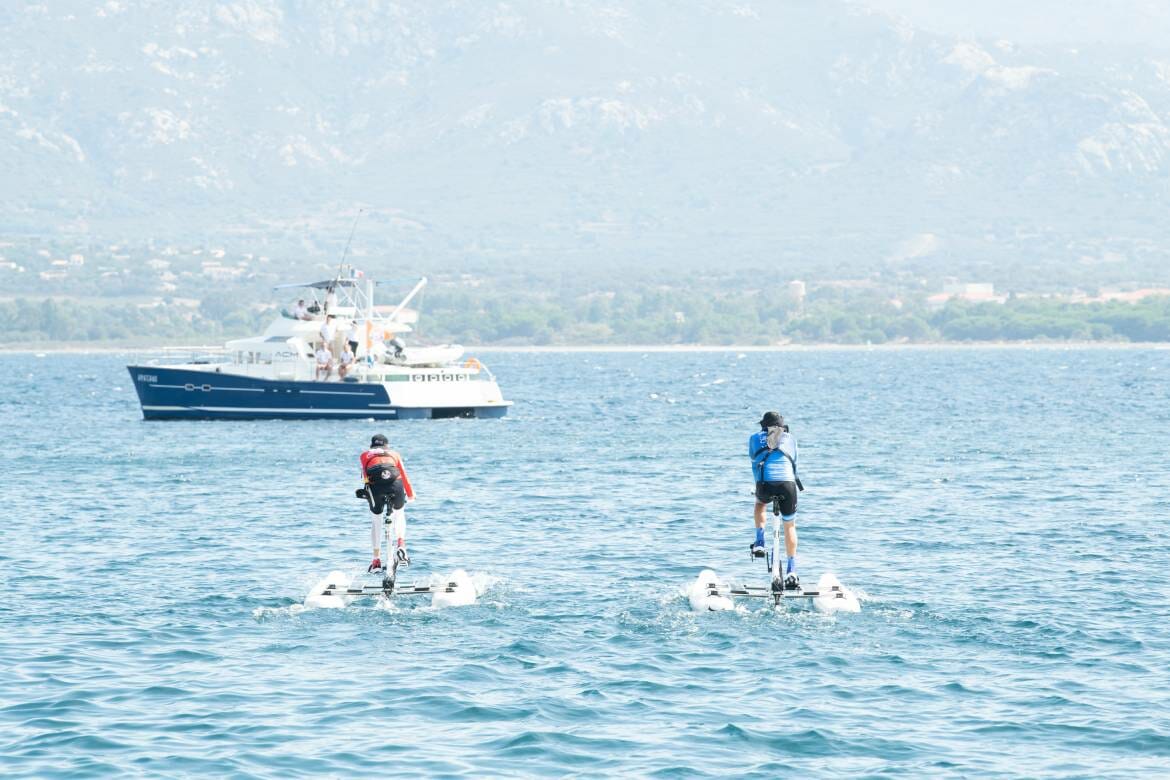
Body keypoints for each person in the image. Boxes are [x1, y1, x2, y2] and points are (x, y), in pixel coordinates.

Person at [749, 411, 801, 590]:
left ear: (764, 426)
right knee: (790, 525)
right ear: (782, 426)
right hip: (787, 485)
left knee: (760, 504)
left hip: (765, 485)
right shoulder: (790, 439)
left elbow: (754, 461)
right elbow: (795, 465)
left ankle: (760, 542)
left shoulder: (755, 438)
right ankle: (791, 571)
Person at [360, 433, 415, 572]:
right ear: (386, 446)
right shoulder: (394, 454)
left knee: (376, 520)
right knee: (399, 513)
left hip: (376, 489)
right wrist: (410, 495)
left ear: (372, 445)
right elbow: (403, 474)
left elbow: (365, 478)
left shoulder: (364, 455)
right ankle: (401, 544)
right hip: (395, 486)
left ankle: (376, 560)